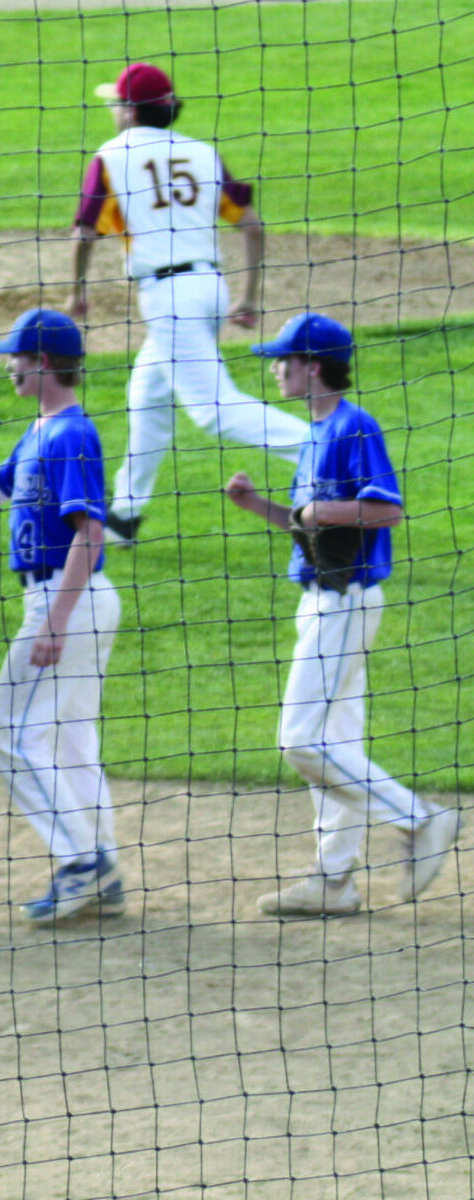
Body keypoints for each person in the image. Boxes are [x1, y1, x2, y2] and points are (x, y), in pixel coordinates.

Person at [222, 314, 458, 916]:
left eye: (285, 359)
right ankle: (333, 881)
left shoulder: (354, 426)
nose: (276, 369)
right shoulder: (314, 434)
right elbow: (308, 524)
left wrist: (320, 513)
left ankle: (418, 819)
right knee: (337, 739)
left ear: (314, 366)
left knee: (301, 739)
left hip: (346, 600)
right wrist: (258, 506)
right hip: (320, 598)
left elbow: (386, 510)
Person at [0, 309, 125, 924]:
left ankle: (81, 863)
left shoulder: (71, 435)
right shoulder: (41, 429)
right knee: (70, 741)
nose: (8, 367)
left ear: (42, 361)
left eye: (14, 358)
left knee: (12, 736)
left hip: (66, 598)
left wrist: (54, 621)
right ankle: (103, 868)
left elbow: (90, 532)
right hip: (70, 598)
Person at [71, 61, 308, 544]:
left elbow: (84, 233)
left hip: (169, 297)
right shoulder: (203, 153)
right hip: (210, 289)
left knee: (214, 411)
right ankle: (125, 515)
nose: (112, 111)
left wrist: (77, 291)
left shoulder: (112, 155)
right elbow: (251, 226)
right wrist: (248, 298)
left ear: (130, 110)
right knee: (147, 394)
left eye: (116, 103)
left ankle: (322, 448)